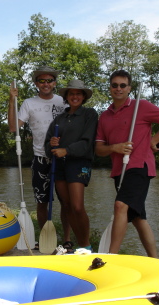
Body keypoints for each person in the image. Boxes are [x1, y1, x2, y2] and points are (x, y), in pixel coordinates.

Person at [95, 70, 159, 257]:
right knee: (138, 218)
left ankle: (111, 257)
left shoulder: (140, 106)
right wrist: (114, 148)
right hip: (119, 169)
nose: (118, 89)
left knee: (120, 206)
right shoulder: (105, 116)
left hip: (139, 166)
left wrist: (153, 141)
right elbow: (99, 149)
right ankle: (155, 260)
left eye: (122, 85)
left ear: (129, 88)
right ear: (109, 87)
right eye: (114, 85)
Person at [8, 65, 72, 251]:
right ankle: (46, 238)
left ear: (54, 83)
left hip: (62, 159)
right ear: (36, 83)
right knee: (42, 202)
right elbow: (14, 128)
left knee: (66, 202)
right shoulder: (29, 103)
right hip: (40, 159)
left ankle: (66, 240)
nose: (46, 84)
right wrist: (11, 101)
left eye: (49, 80)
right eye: (42, 81)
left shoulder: (63, 101)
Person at [44, 79, 98, 251]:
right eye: (71, 93)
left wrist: (66, 150)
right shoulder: (59, 119)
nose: (75, 96)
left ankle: (86, 245)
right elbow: (47, 147)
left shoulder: (90, 114)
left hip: (79, 163)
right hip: (59, 165)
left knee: (77, 206)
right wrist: (51, 144)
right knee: (66, 206)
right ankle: (76, 246)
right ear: (66, 97)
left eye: (78, 93)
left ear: (83, 96)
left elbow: (87, 142)